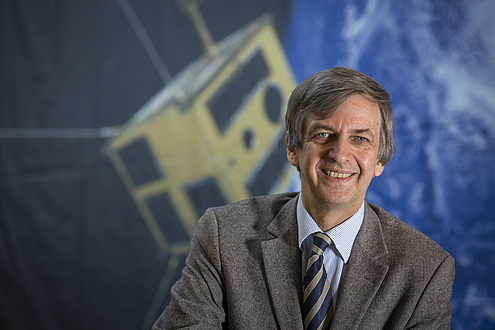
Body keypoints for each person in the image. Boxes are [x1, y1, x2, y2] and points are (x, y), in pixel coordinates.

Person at [152, 67, 455, 329]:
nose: (339, 154)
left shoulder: (425, 269)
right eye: (323, 135)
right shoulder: (222, 236)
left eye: (360, 139)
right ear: (292, 148)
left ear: (380, 160)